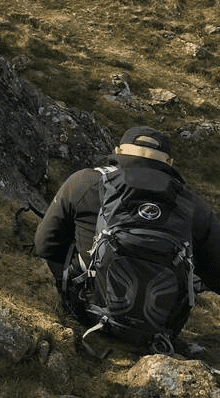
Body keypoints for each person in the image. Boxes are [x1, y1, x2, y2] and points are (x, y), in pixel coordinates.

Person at [34, 126, 220, 351]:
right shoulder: (194, 205)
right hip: (159, 331)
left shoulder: (84, 182)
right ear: (169, 162)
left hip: (88, 316)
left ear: (117, 151)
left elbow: (44, 245)